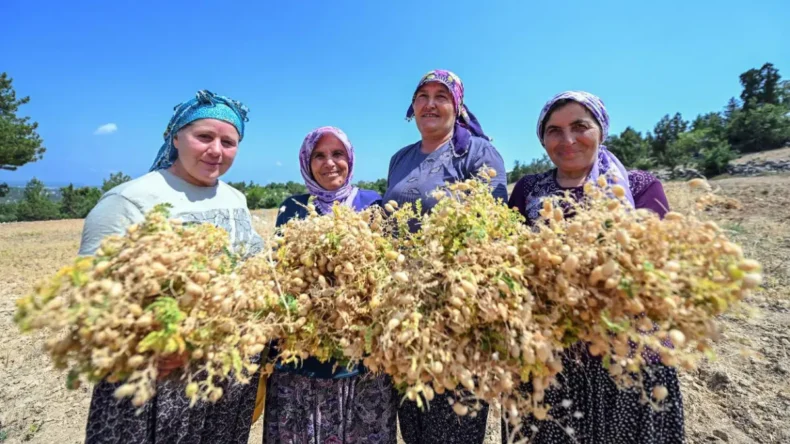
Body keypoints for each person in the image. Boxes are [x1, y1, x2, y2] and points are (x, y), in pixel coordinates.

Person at [79, 90, 264, 444]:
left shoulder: (235, 198)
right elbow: (91, 294)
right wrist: (146, 344)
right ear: (175, 136)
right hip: (158, 384)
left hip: (225, 376)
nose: (216, 151)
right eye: (204, 137)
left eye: (229, 142)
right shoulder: (130, 200)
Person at [505, 91, 685, 443]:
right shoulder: (527, 189)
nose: (567, 139)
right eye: (554, 130)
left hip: (627, 357)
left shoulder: (639, 186)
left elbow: (655, 269)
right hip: (548, 359)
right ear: (542, 139)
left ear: (601, 130)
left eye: (579, 126)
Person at [383, 69, 508, 444]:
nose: (430, 103)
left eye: (442, 95)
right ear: (413, 106)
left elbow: (491, 226)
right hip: (405, 309)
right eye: (423, 95)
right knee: (415, 424)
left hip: (457, 312)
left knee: (453, 423)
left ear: (457, 105)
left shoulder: (477, 152)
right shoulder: (399, 158)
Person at [262, 126, 398, 444]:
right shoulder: (292, 208)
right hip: (302, 360)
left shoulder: (374, 204)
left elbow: (389, 271)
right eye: (319, 155)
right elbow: (280, 275)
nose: (330, 163)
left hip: (361, 362)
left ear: (350, 158)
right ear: (307, 163)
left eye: (338, 154)